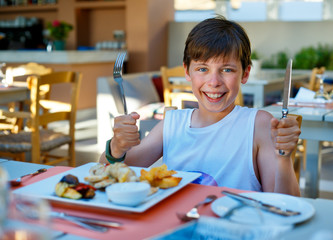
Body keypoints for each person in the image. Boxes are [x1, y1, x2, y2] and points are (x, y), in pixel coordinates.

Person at [100, 16, 301, 196]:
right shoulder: (171, 125)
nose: (214, 82)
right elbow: (105, 173)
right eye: (202, 68)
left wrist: (283, 158)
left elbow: (285, 205)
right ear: (187, 71)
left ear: (245, 73)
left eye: (227, 69)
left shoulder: (259, 125)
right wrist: (116, 147)